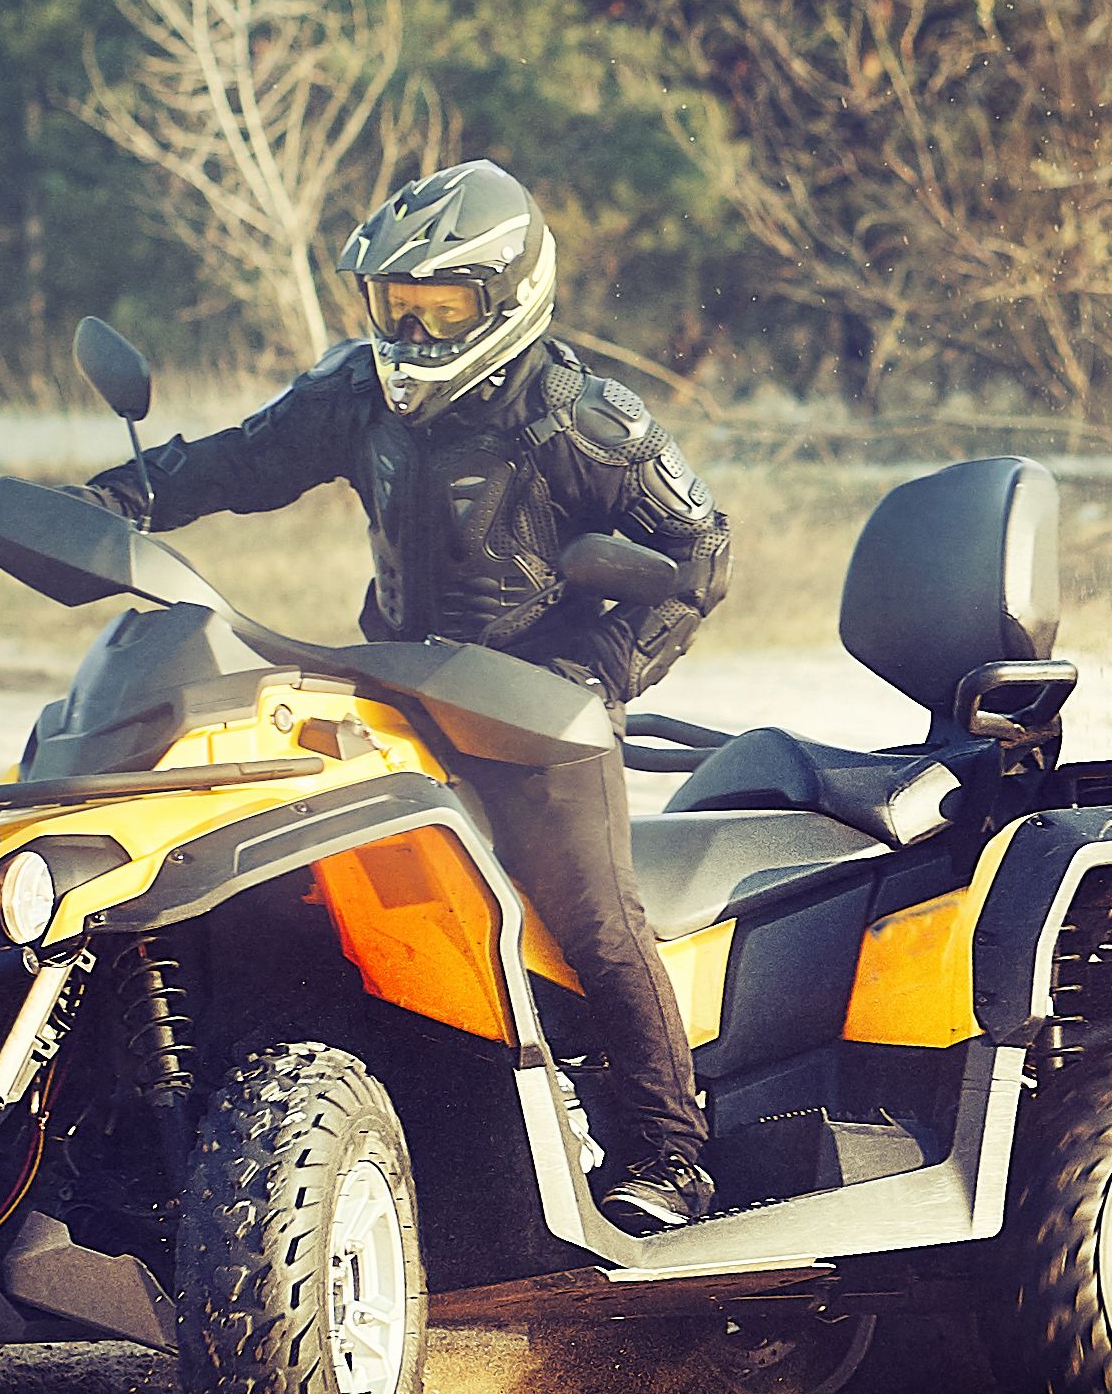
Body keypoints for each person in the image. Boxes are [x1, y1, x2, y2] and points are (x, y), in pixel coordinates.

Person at [86, 160, 734, 1234]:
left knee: (595, 922)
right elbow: (247, 461)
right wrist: (134, 492)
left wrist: (601, 672)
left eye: (444, 308)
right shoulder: (355, 392)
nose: (418, 332)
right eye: (398, 305)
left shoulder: (581, 418)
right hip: (393, 692)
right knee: (276, 886)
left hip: (535, 715)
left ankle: (669, 1156)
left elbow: (701, 551)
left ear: (511, 297)